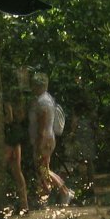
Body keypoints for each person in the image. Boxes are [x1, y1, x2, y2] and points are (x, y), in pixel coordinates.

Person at [26, 72, 72, 206]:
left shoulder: (42, 102)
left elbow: (42, 126)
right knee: (44, 168)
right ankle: (47, 194)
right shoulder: (47, 98)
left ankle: (64, 192)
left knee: (42, 169)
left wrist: (39, 143)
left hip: (44, 139)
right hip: (49, 137)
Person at [2, 86, 29, 212]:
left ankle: (3, 202)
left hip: (9, 138)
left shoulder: (7, 103)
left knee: (1, 168)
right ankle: (24, 203)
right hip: (17, 137)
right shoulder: (21, 106)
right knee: (17, 171)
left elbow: (9, 118)